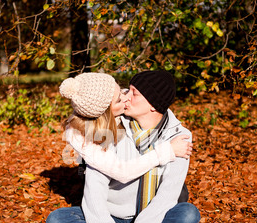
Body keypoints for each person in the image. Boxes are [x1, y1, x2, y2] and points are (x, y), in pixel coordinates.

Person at [46, 70, 200, 223]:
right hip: (112, 214)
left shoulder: (179, 137)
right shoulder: (112, 125)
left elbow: (167, 197)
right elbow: (95, 187)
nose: (126, 97)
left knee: (189, 215)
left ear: (153, 105)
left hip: (151, 215)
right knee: (56, 222)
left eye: (134, 93)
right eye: (127, 90)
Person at [59, 72, 192, 184]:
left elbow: (153, 100)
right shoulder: (80, 138)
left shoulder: (117, 98)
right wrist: (168, 150)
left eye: (124, 90)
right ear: (106, 113)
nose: (125, 98)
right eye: (118, 100)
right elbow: (122, 172)